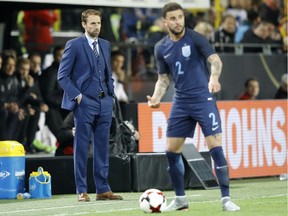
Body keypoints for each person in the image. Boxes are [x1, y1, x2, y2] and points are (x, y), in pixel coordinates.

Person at [147, 2, 240, 212]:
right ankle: (180, 199)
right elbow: (163, 79)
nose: (178, 22)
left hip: (202, 98)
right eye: (173, 18)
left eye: (180, 17)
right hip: (180, 102)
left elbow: (216, 61)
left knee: (215, 146)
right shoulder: (161, 47)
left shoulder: (195, 38)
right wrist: (155, 97)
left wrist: (214, 79)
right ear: (165, 22)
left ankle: (226, 199)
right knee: (171, 151)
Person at [57, 9, 123, 202]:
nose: (96, 27)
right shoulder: (74, 45)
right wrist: (78, 96)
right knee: (82, 147)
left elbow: (107, 72)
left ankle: (103, 189)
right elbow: (63, 76)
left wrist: (110, 96)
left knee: (102, 147)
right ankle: (82, 190)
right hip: (85, 102)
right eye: (92, 23)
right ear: (84, 25)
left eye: (99, 23)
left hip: (104, 102)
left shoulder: (105, 44)